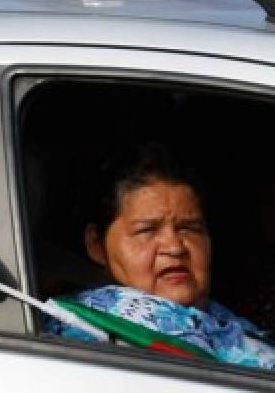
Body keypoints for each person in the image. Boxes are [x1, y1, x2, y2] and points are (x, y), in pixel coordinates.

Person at [45, 143, 275, 371]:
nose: (175, 247)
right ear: (96, 244)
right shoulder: (87, 338)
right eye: (147, 230)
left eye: (189, 228)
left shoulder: (227, 324)